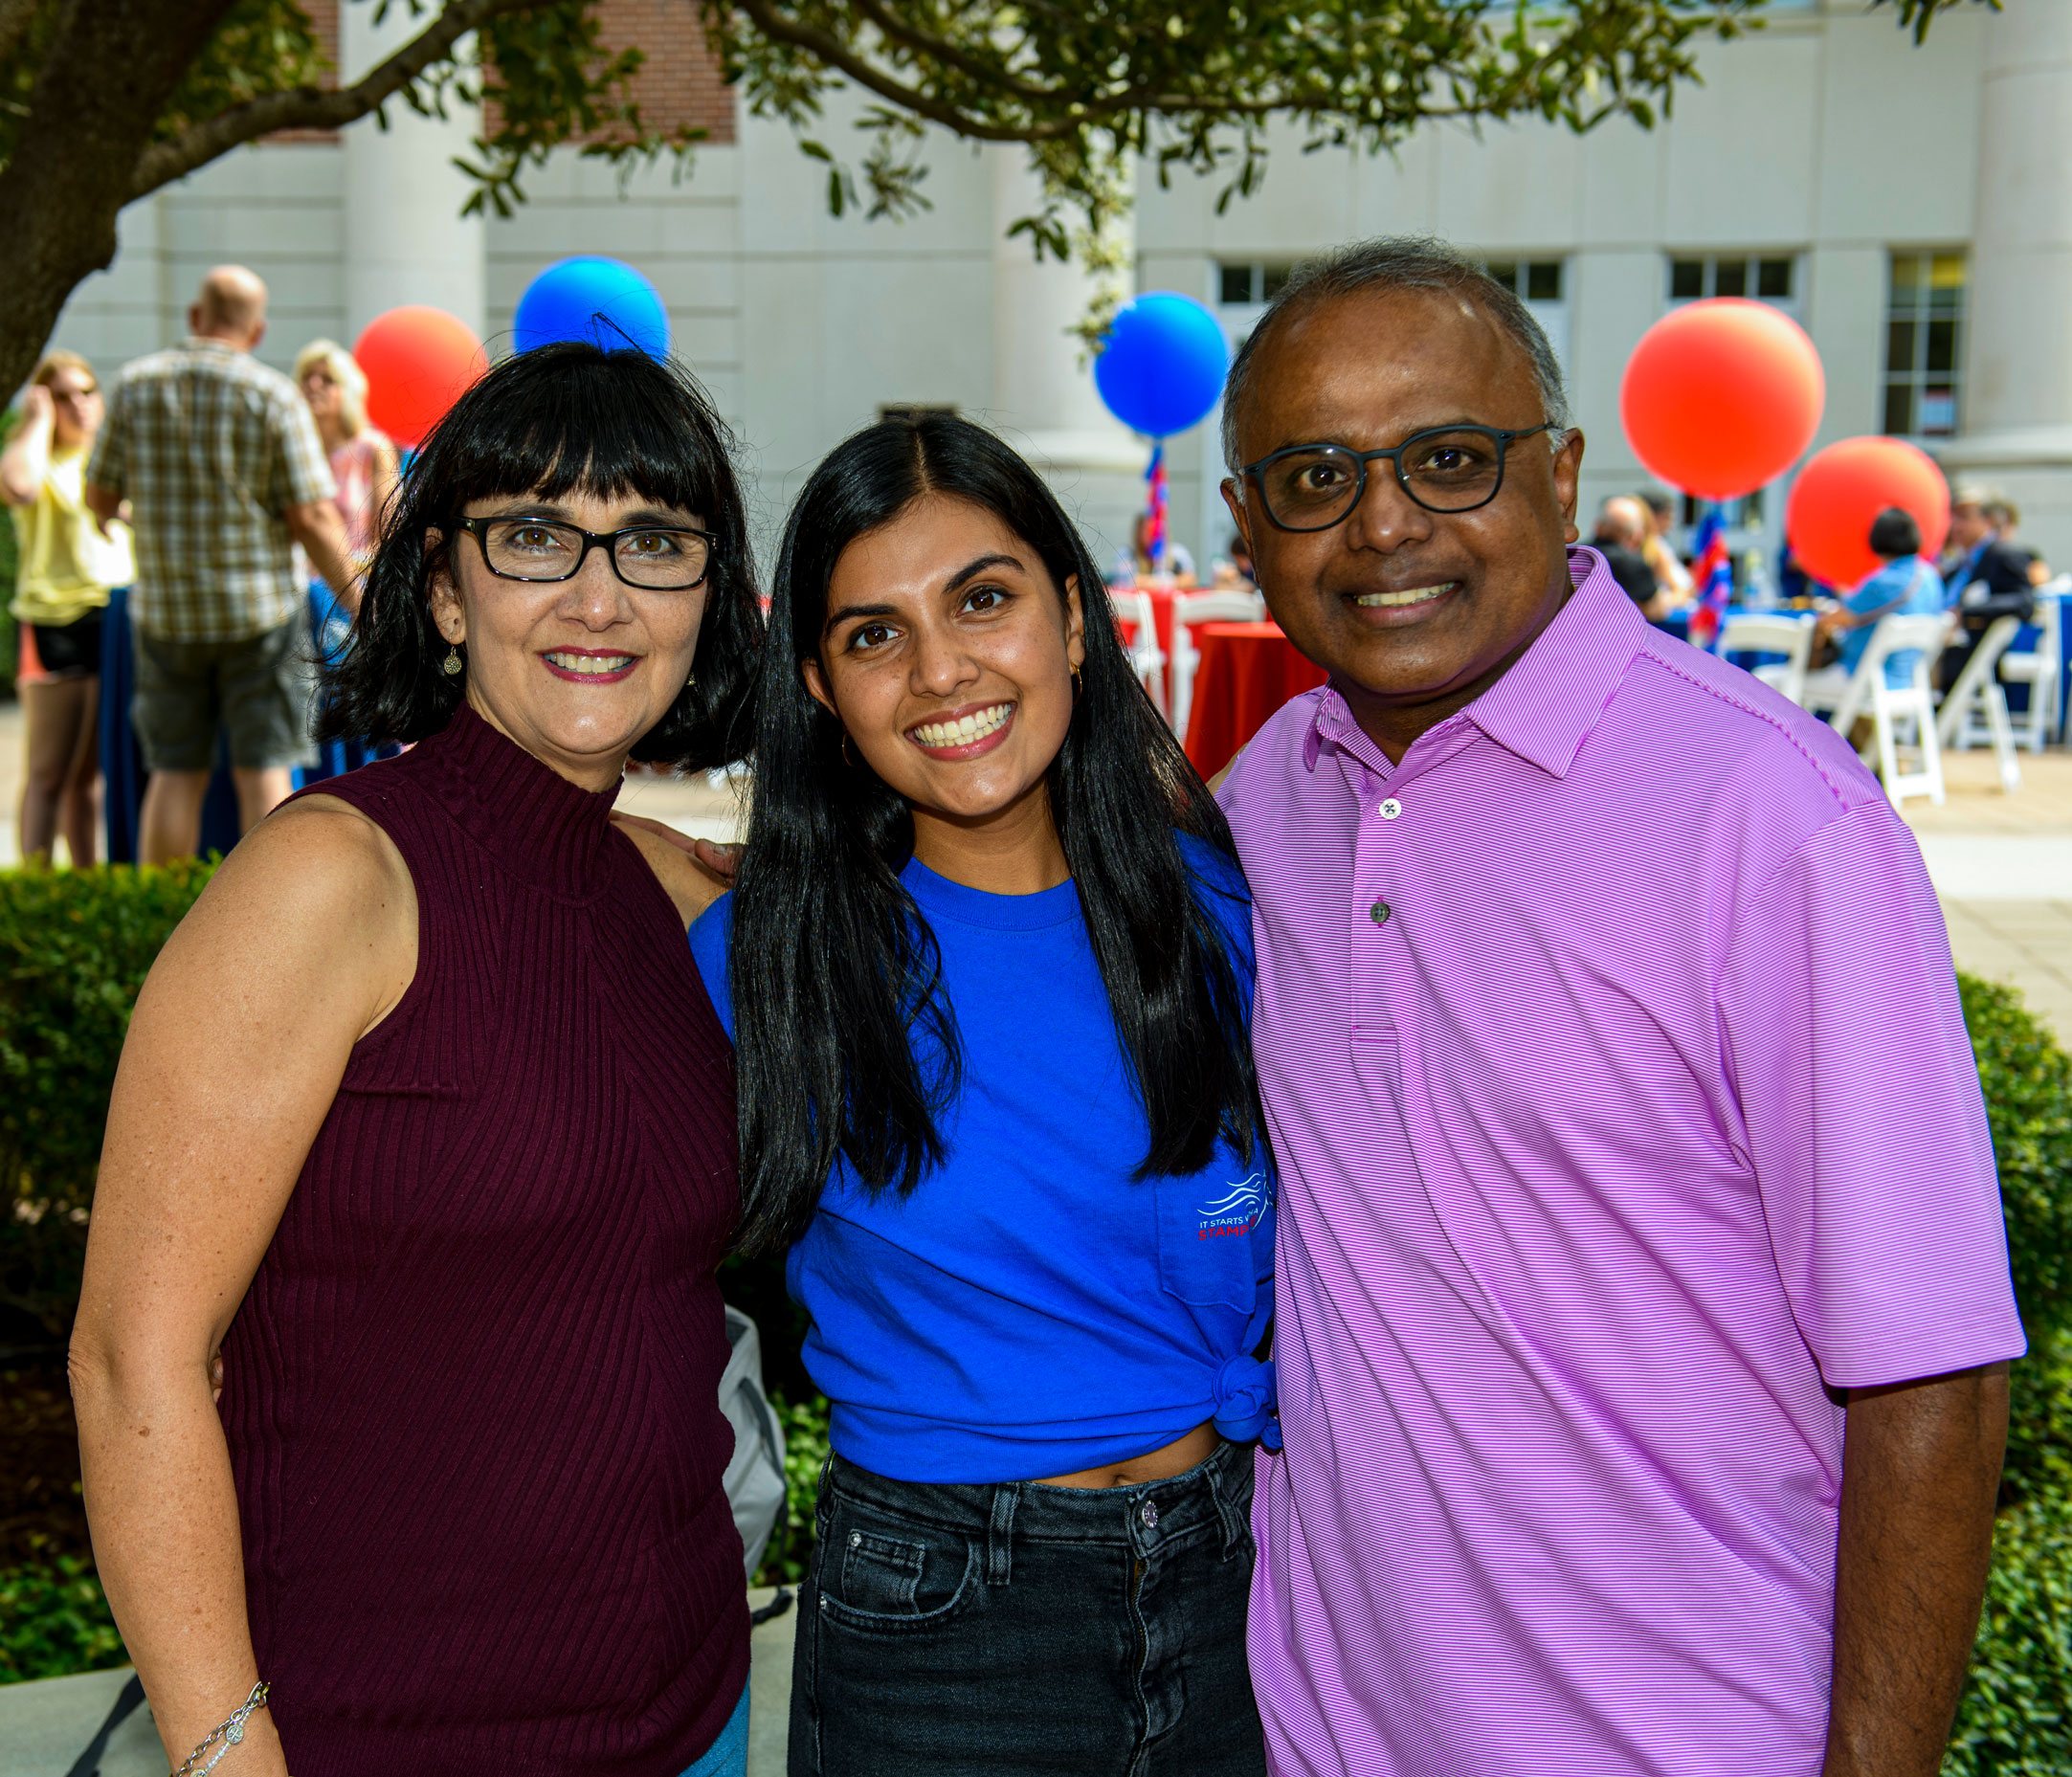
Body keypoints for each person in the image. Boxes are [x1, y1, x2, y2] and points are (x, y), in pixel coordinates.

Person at [1214, 238, 2021, 1777]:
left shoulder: (1774, 822)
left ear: (1563, 473)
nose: (1384, 522)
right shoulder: (1269, 801)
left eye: (1449, 459)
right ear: (1248, 528)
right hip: (1327, 1739)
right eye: (1314, 476)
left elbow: (1931, 1370)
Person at [70, 343, 763, 1777]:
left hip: (694, 1711)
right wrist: (224, 1749)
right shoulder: (329, 877)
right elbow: (137, 1360)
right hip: (380, 1738)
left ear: (708, 593)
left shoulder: (672, 889)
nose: (597, 595)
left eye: (654, 543)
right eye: (532, 539)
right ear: (445, 590)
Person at [692, 412, 1274, 1775]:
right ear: (822, 689)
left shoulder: (1223, 909)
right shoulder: (770, 958)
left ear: (1072, 619)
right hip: (938, 1608)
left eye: (985, 599)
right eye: (873, 633)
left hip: (1244, 1569)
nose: (942, 667)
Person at [85, 266, 357, 861]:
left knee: (174, 773)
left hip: (166, 616)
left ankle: (159, 918)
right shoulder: (271, 396)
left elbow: (99, 498)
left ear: (194, 317)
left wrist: (133, 516)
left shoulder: (133, 386)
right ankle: (265, 923)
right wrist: (364, 605)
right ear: (257, 331)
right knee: (263, 770)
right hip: (260, 618)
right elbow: (312, 518)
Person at [0, 348, 132, 864]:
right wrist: (34, 419)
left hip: (114, 615)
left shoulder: (110, 458)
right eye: (62, 395)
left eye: (85, 392)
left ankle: (84, 879)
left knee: (90, 773)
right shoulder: (35, 455)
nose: (77, 404)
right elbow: (18, 486)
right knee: (48, 770)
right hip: (54, 621)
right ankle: (35, 887)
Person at [294, 338, 398, 619]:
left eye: (326, 380)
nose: (313, 385)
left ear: (348, 392)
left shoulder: (371, 449)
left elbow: (386, 538)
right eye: (307, 378)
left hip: (351, 595)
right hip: (295, 597)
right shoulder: (294, 451)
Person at [1813, 506, 1946, 690]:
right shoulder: (1931, 576)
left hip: (1867, 679)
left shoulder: (1884, 581)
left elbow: (1836, 620)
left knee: (1772, 681)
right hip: (1909, 681)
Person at [1937, 485, 2037, 691]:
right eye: (1953, 517)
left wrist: (1965, 613)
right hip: (1944, 650)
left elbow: (2025, 602)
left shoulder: (2003, 555)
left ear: (1989, 521)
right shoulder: (1956, 565)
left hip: (1971, 657)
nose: (1955, 525)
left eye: (1963, 517)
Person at [1588, 494, 1670, 619]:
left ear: (1598, 527)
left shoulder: (1576, 555)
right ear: (1637, 536)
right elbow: (1657, 611)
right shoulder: (1635, 565)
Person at [1108, 510, 1197, 585]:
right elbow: (1127, 581)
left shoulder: (1177, 554)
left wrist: (1154, 582)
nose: (1153, 534)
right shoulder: (1127, 554)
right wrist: (1167, 582)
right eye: (1147, 530)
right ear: (1138, 533)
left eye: (1157, 529)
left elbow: (1190, 579)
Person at [1638, 485, 1693, 603]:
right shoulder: (1650, 546)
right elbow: (1678, 590)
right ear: (1652, 516)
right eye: (1667, 517)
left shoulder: (1657, 543)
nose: (1670, 523)